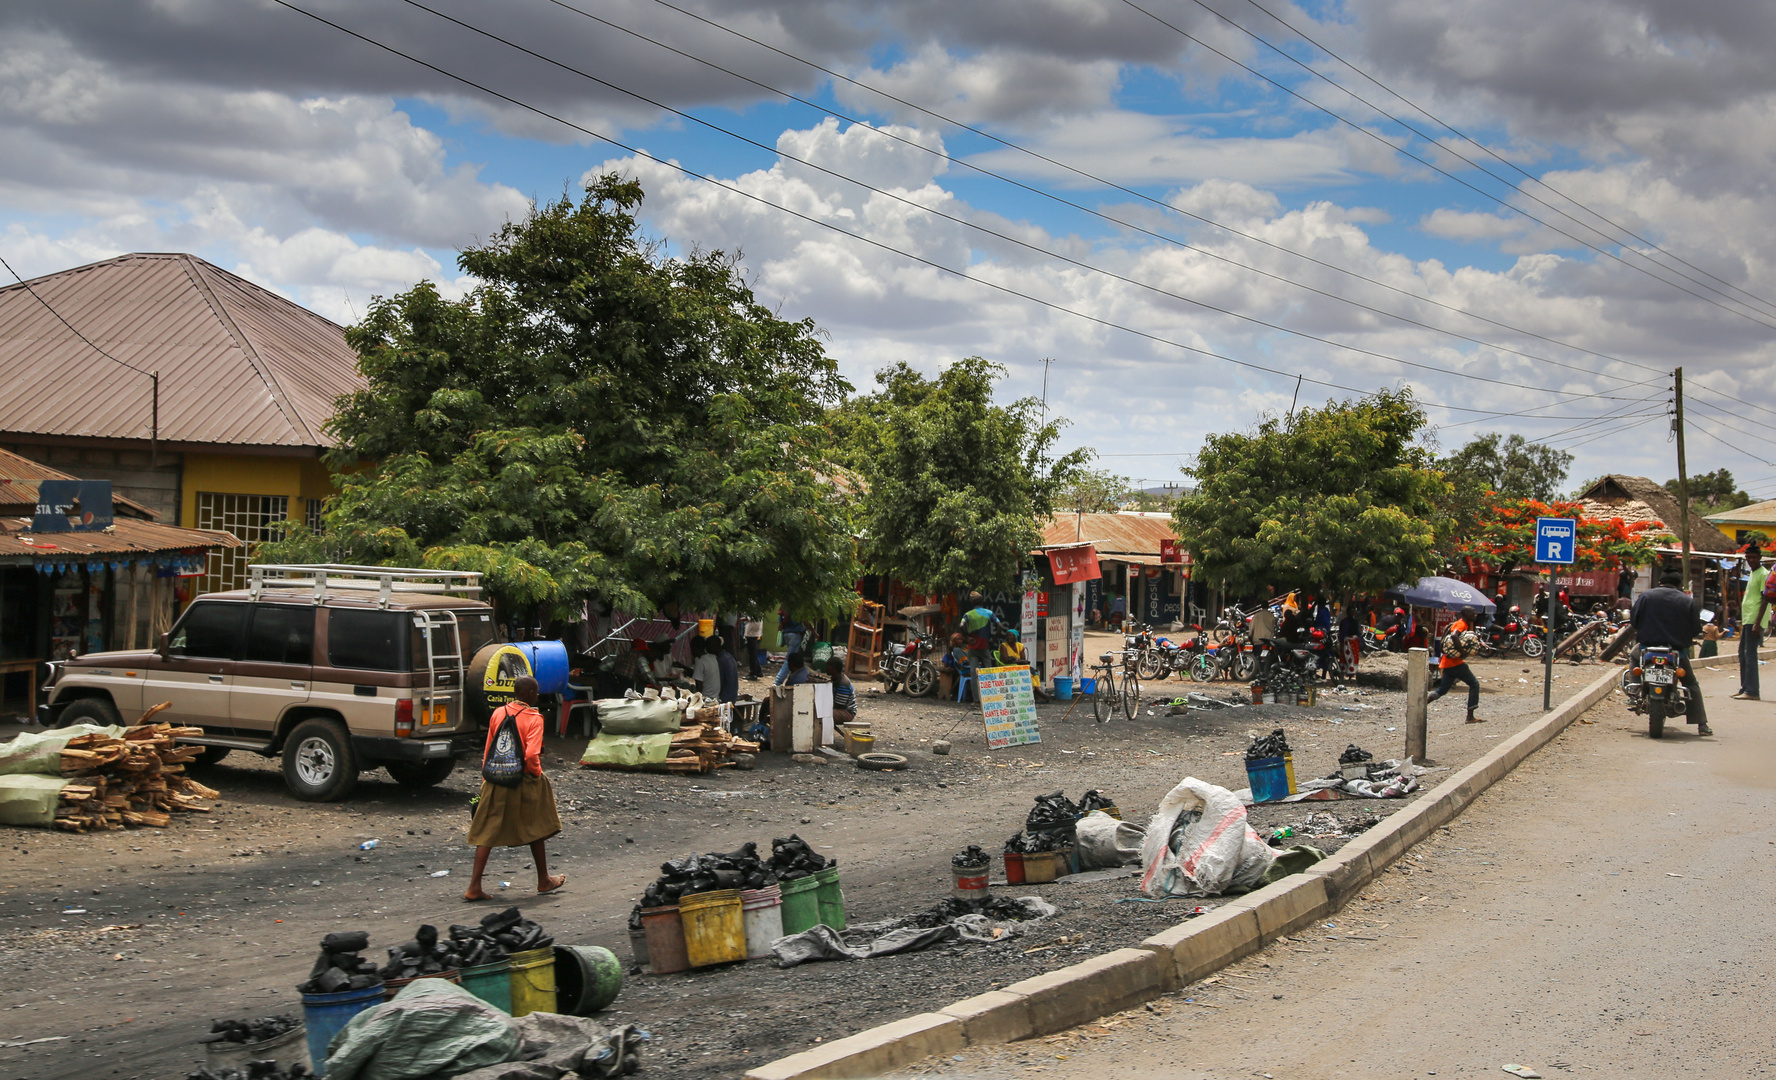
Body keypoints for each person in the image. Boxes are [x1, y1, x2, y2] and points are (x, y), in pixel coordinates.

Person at [465, 676, 564, 900]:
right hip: (522, 779)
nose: (537, 696)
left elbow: (489, 748)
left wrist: (485, 779)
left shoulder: (498, 713)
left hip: (495, 778)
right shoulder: (534, 718)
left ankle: (474, 887)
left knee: (486, 831)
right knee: (536, 825)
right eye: (536, 692)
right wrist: (536, 772)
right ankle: (543, 880)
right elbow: (531, 754)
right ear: (529, 694)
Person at [1632, 569, 1711, 734]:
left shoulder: (1646, 596)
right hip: (1675, 652)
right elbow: (1696, 628)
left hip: (1647, 649)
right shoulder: (1686, 600)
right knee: (1690, 683)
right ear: (1679, 585)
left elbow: (1634, 620)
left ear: (1660, 582)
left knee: (1633, 657)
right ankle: (1701, 724)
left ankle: (1633, 691)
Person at [1426, 606, 1483, 723]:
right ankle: (1470, 716)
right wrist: (1462, 652)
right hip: (1455, 663)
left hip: (1448, 663)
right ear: (1466, 613)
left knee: (1442, 690)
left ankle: (1420, 704)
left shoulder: (1463, 624)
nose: (1475, 614)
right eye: (1473, 612)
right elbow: (1454, 636)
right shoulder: (1461, 624)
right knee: (1474, 684)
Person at [1735, 545, 1768, 701]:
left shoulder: (1763, 574)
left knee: (1750, 655)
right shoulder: (1752, 573)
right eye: (1749, 557)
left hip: (1755, 620)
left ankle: (1753, 691)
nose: (1752, 560)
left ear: (1760, 558)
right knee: (1743, 654)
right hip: (1748, 619)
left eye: (1755, 557)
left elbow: (1765, 599)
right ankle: (1745, 688)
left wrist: (1757, 623)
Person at [826, 655, 856, 724]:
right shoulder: (835, 679)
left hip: (847, 712)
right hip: (840, 709)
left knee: (823, 714)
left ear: (833, 669)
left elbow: (839, 705)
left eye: (828, 666)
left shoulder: (843, 684)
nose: (826, 668)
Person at [776, 614, 805, 683]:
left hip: (786, 634)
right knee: (790, 659)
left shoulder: (785, 610)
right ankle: (778, 680)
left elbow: (780, 626)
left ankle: (792, 678)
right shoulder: (798, 610)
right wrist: (815, 633)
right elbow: (806, 622)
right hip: (795, 635)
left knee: (792, 658)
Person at [713, 635, 739, 704]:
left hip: (725, 697)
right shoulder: (728, 657)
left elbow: (718, 682)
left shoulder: (721, 660)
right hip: (732, 695)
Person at [741, 614, 765, 680]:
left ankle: (753, 673)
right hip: (756, 630)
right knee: (753, 652)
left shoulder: (752, 605)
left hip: (751, 631)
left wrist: (740, 619)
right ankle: (758, 671)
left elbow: (749, 618)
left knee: (752, 653)